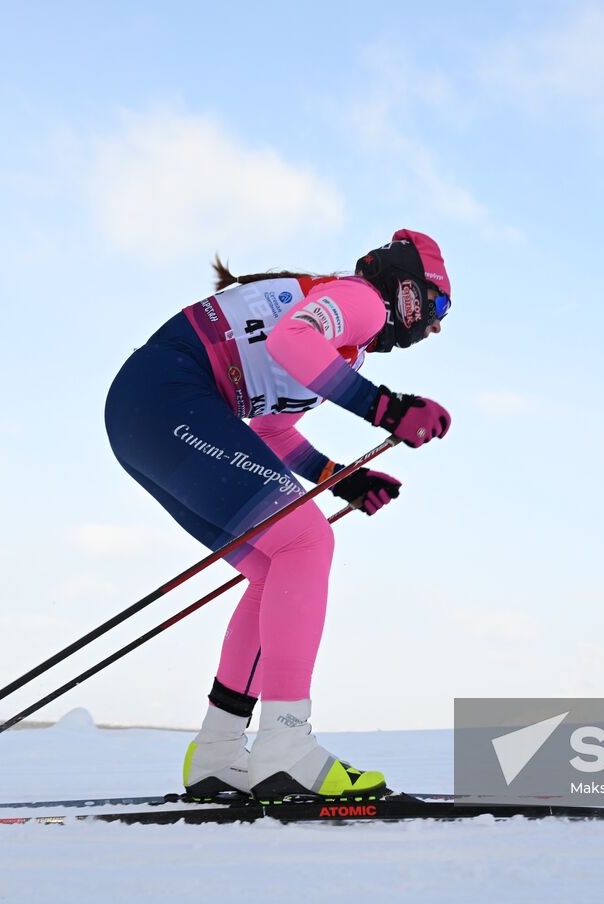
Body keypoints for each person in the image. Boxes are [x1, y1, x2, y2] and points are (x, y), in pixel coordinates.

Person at [104, 230, 453, 801]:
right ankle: (287, 747)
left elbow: (273, 431)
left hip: (150, 412)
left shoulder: (343, 337)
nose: (435, 326)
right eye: (437, 307)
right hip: (169, 398)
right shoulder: (362, 301)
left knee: (275, 566)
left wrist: (342, 476)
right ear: (406, 290)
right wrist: (384, 408)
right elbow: (293, 341)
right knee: (306, 543)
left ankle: (217, 753)